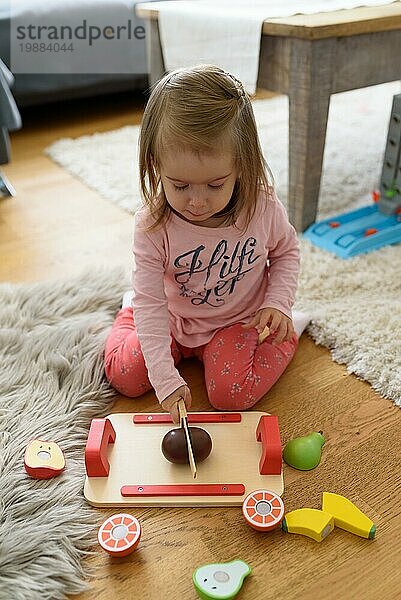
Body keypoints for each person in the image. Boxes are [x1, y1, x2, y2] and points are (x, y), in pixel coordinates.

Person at [104, 64, 310, 424]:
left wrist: (279, 303)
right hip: (169, 318)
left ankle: (286, 334)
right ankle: (126, 318)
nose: (196, 202)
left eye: (215, 185)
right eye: (179, 186)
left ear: (242, 166)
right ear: (155, 165)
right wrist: (165, 378)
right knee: (127, 375)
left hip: (236, 323)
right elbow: (152, 303)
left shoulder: (261, 207)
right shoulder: (153, 225)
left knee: (230, 395)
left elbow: (286, 252)